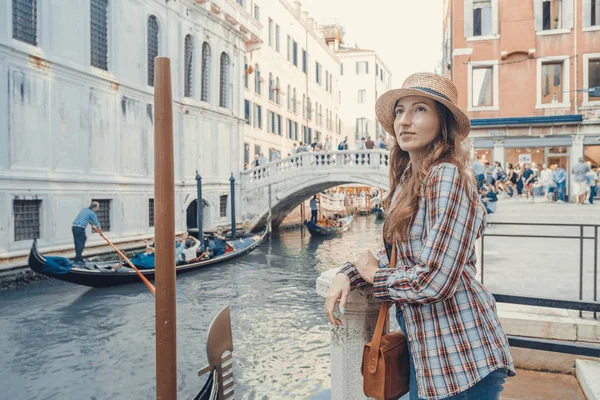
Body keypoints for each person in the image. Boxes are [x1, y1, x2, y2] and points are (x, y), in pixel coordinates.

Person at [324, 73, 514, 400]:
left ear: (443, 123)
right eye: (399, 111)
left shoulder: (448, 176)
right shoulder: (409, 181)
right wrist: (350, 272)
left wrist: (375, 275)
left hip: (463, 358)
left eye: (420, 109)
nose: (405, 121)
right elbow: (401, 258)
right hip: (429, 359)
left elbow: (434, 281)